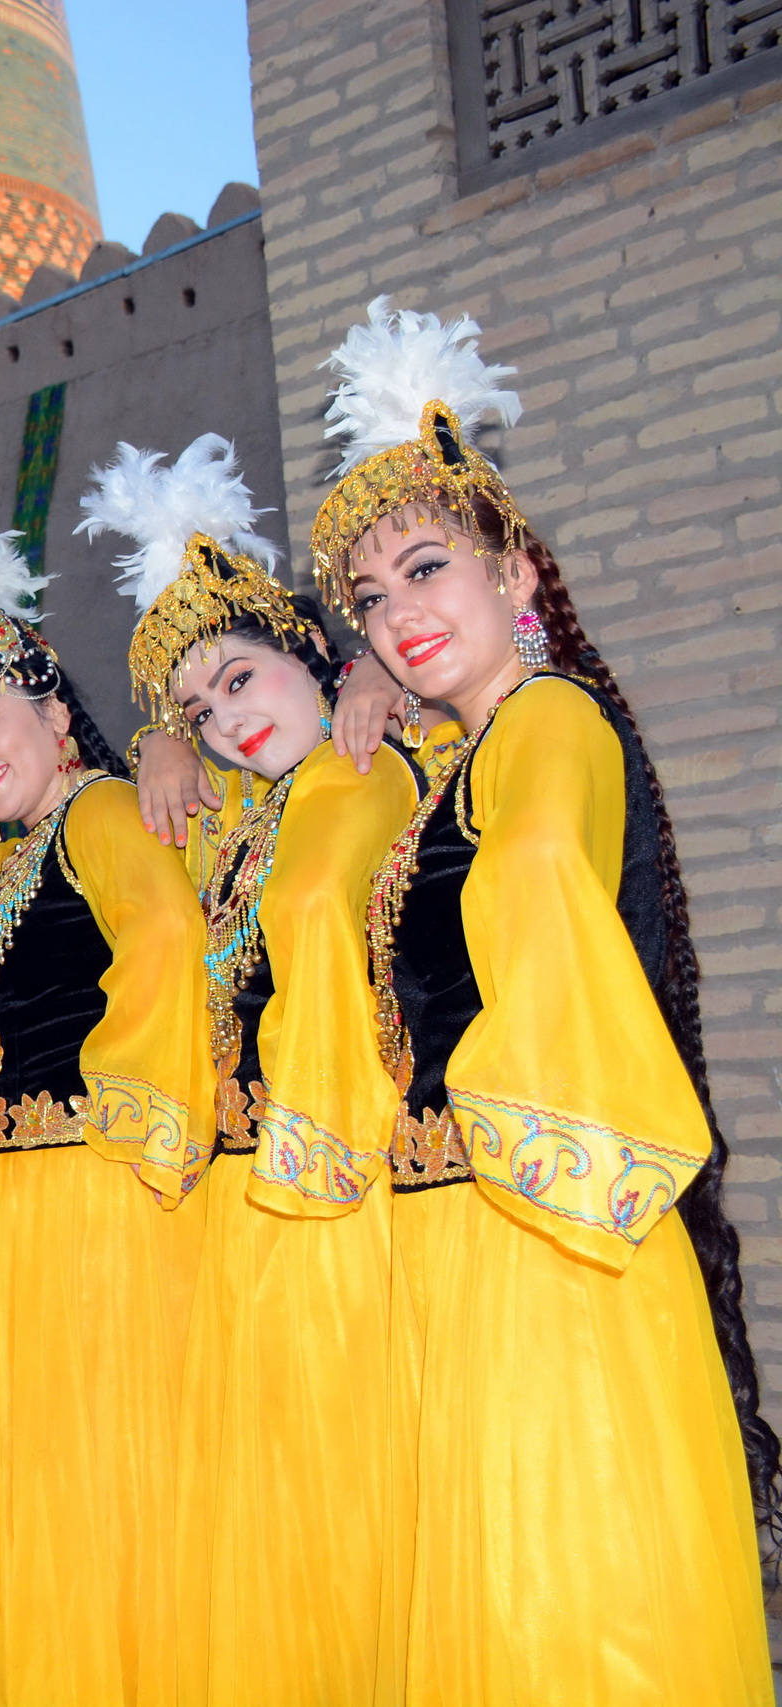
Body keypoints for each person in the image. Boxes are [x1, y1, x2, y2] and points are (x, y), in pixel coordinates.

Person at [312, 298, 778, 1704]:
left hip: (537, 1224)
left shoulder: (549, 719)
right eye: (369, 601)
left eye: (424, 570)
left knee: (558, 1604)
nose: (399, 614)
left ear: (513, 567)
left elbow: (532, 888)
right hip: (467, 1227)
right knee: (498, 1601)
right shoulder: (451, 767)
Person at [79, 435, 416, 1705]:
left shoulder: (386, 765)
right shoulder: (237, 821)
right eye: (202, 709)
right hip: (237, 1203)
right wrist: (156, 746)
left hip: (347, 1197)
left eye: (239, 678)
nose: (228, 718)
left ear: (311, 652)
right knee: (263, 1510)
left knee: (344, 1496)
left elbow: (501, 670)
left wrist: (382, 669)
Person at [0, 519, 214, 1706]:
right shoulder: (12, 853)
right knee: (43, 1475)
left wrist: (124, 1129)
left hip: (97, 1195)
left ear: (55, 715)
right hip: (17, 1206)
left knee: (110, 1468)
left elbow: (167, 945)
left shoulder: (103, 813)